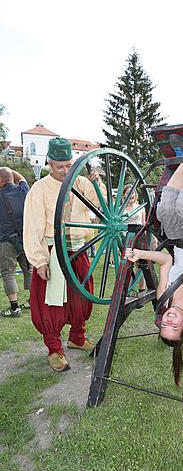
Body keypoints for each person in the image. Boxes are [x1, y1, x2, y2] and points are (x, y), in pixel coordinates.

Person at [125, 132, 183, 386]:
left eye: (164, 324)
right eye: (173, 326)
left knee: (165, 208)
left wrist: (140, 254)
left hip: (178, 240)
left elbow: (166, 261)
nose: (168, 320)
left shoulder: (163, 299)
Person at [23, 137, 103, 372]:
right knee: (52, 304)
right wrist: (39, 261)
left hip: (78, 249)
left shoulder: (81, 184)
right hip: (52, 250)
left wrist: (98, 183)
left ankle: (77, 337)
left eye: (69, 165)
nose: (66, 171)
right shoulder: (39, 189)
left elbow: (102, 207)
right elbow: (32, 227)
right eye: (61, 167)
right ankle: (54, 348)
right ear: (49, 163)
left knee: (81, 296)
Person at [0, 167, 32, 317]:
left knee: (8, 273)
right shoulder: (24, 190)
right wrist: (10, 172)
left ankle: (14, 308)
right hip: (24, 239)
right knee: (28, 270)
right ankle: (33, 301)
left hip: (6, 241)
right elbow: (22, 178)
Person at [122, 184, 146, 291]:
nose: (130, 195)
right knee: (125, 265)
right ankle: (125, 289)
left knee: (140, 264)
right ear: (124, 195)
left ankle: (141, 288)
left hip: (139, 237)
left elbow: (144, 223)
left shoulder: (140, 208)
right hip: (125, 238)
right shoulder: (120, 209)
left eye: (132, 192)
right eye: (128, 193)